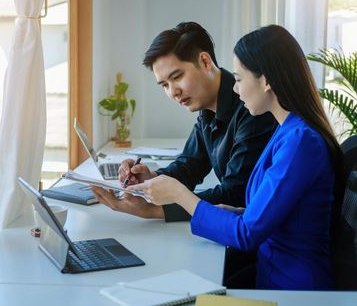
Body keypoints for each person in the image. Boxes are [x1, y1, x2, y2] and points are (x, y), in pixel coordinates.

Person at [125, 25, 344, 290]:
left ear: (266, 81)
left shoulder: (300, 141)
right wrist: (237, 212)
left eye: (239, 79)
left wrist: (182, 197)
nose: (236, 90)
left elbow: (247, 233)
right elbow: (266, 213)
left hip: (293, 290)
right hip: (271, 273)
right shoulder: (288, 131)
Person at [92, 22, 277, 222]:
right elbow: (190, 164)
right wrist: (151, 176)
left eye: (177, 77)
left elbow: (235, 194)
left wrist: (154, 211)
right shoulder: (207, 107)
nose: (173, 92)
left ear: (205, 61)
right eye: (164, 85)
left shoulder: (252, 106)